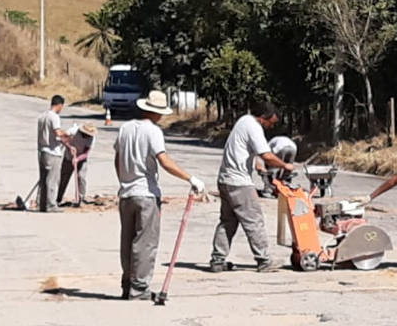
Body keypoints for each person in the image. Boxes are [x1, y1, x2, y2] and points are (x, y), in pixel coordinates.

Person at [115, 90, 205, 300]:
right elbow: (164, 161)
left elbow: (117, 158)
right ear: (156, 113)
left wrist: (123, 180)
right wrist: (190, 178)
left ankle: (127, 284)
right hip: (146, 194)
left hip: (126, 193)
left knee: (127, 242)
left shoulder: (125, 128)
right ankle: (139, 289)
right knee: (145, 243)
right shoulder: (153, 131)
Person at [210, 102, 296, 273]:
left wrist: (256, 164)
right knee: (254, 221)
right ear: (264, 117)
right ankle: (264, 260)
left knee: (227, 222)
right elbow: (267, 155)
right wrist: (285, 166)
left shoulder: (243, 121)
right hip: (239, 183)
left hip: (225, 180)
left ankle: (217, 260)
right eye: (271, 122)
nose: (271, 126)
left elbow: (244, 149)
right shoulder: (254, 126)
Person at [37, 95, 71, 213]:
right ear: (59, 105)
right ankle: (51, 205)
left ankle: (41, 204)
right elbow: (57, 132)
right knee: (52, 180)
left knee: (43, 180)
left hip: (42, 151)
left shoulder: (42, 116)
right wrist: (67, 137)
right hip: (53, 152)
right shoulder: (54, 117)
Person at [57, 122, 97, 207]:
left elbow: (86, 153)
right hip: (68, 156)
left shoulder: (92, 138)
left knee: (81, 177)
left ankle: (80, 199)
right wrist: (69, 147)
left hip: (81, 158)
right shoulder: (74, 131)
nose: (88, 136)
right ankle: (58, 198)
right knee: (64, 177)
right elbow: (62, 139)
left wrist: (77, 159)